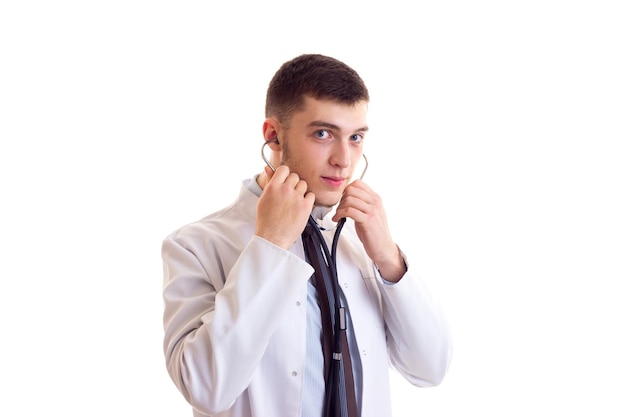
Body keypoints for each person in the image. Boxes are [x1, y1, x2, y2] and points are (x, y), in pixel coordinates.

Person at [161, 53, 452, 417]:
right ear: (273, 136)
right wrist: (269, 247)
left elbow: (430, 369)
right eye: (323, 133)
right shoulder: (196, 245)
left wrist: (389, 259)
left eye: (356, 137)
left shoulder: (359, 243)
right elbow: (205, 388)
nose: (344, 160)